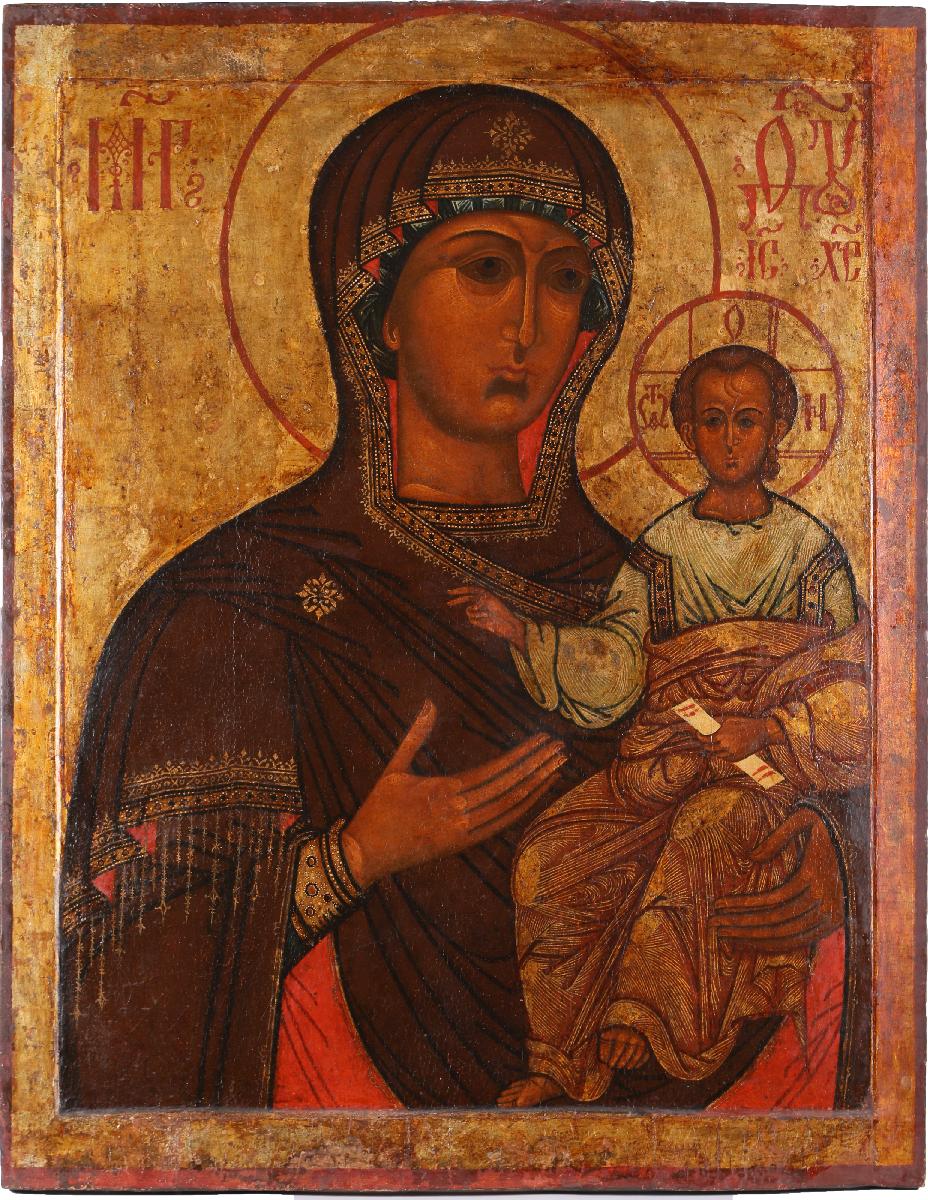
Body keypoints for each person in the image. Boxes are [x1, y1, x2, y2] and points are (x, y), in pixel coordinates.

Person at [59, 86, 858, 1112]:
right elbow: (114, 979)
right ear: (380, 307)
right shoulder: (232, 602)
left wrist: (826, 871)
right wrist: (353, 858)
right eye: (484, 269)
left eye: (563, 280)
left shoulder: (646, 590)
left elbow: (787, 756)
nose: (527, 323)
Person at [453, 345, 870, 1108]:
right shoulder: (663, 549)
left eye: (748, 420)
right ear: (686, 432)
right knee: (553, 853)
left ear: (778, 428)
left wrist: (769, 729)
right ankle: (560, 1058)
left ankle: (647, 1018)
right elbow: (619, 661)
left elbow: (855, 681)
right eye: (712, 421)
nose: (731, 440)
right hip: (667, 756)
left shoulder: (813, 554)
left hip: (769, 773)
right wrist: (527, 636)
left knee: (704, 830)